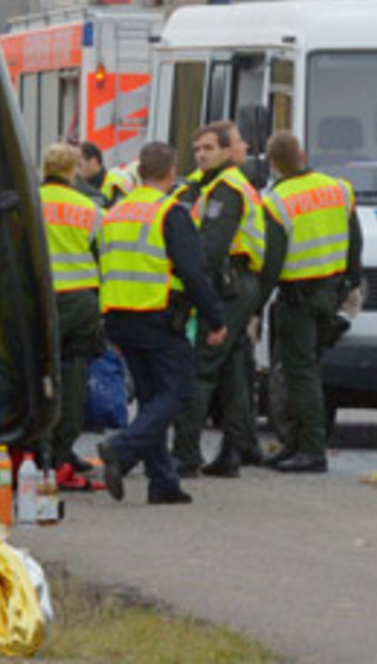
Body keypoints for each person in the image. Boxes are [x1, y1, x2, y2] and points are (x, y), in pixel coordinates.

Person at [96, 141, 227, 505]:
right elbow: (193, 271)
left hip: (119, 316)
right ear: (171, 173)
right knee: (180, 391)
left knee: (152, 396)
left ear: (140, 174)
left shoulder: (115, 213)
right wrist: (216, 319)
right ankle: (121, 449)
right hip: (157, 316)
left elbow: (102, 266)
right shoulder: (170, 212)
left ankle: (163, 481)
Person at [259, 131, 362, 474]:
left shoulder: (276, 201)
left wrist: (255, 303)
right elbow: (354, 243)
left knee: (300, 374)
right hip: (329, 295)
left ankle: (312, 449)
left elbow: (271, 262)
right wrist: (349, 284)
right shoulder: (339, 188)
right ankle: (297, 445)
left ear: (273, 164)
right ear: (302, 156)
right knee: (310, 370)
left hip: (297, 299)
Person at [171, 121, 267, 477]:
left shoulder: (227, 189)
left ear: (228, 152)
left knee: (201, 367)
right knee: (232, 370)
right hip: (237, 282)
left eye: (209, 148)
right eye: (197, 149)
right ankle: (233, 452)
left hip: (229, 284)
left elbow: (211, 247)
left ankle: (185, 455)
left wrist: (194, 291)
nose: (201, 155)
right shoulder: (209, 185)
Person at [37, 144, 106, 487]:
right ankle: (64, 450)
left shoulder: (30, 203)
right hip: (80, 301)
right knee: (75, 374)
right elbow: (102, 256)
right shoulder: (89, 208)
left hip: (39, 302)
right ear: (74, 170)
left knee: (40, 373)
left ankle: (39, 449)